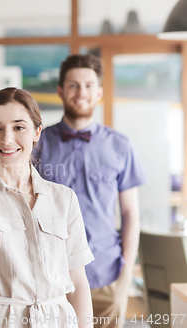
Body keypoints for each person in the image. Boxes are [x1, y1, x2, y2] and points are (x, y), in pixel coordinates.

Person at [0, 87, 94, 328]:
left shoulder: (64, 199)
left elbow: (78, 281)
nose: (7, 139)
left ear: (37, 132)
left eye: (18, 127)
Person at [34, 54, 147, 328]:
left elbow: (130, 213)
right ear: (60, 91)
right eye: (73, 85)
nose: (81, 92)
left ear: (98, 93)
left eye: (88, 85)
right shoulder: (37, 145)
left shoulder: (120, 146)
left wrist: (126, 273)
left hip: (106, 274)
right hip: (52, 277)